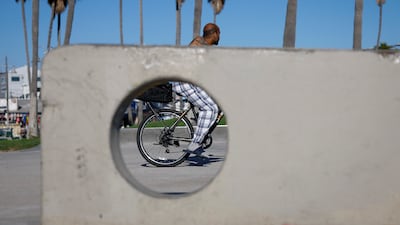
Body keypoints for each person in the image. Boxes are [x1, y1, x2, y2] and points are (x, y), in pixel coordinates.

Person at [172, 23, 221, 156]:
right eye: (219, 33)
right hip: (184, 82)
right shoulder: (198, 42)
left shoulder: (206, 47)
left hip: (191, 82)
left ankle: (201, 133)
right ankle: (195, 143)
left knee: (214, 103)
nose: (220, 37)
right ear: (215, 33)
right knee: (211, 108)